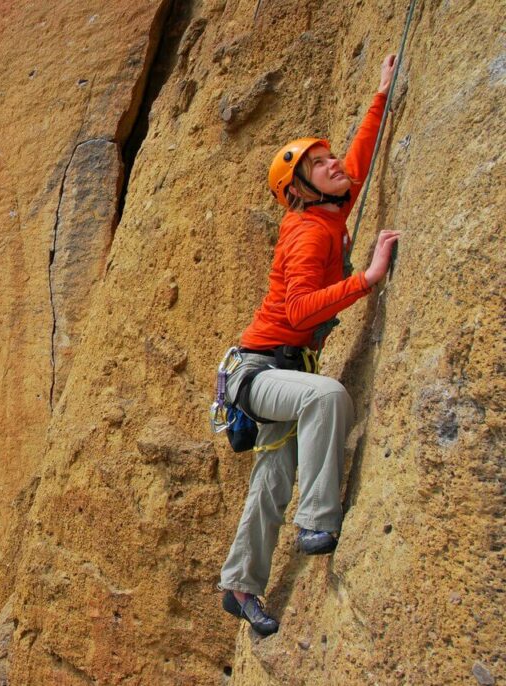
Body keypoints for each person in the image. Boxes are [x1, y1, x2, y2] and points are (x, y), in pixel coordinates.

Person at [218, 54, 402, 636]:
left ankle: (240, 584)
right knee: (326, 398)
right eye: (319, 166)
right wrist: (366, 280)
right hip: (259, 371)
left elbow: (358, 162)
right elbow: (297, 309)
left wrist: (380, 95)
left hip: (277, 369)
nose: (332, 167)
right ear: (298, 189)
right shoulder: (304, 230)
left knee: (271, 482)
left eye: (327, 160)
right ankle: (318, 522)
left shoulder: (332, 208)